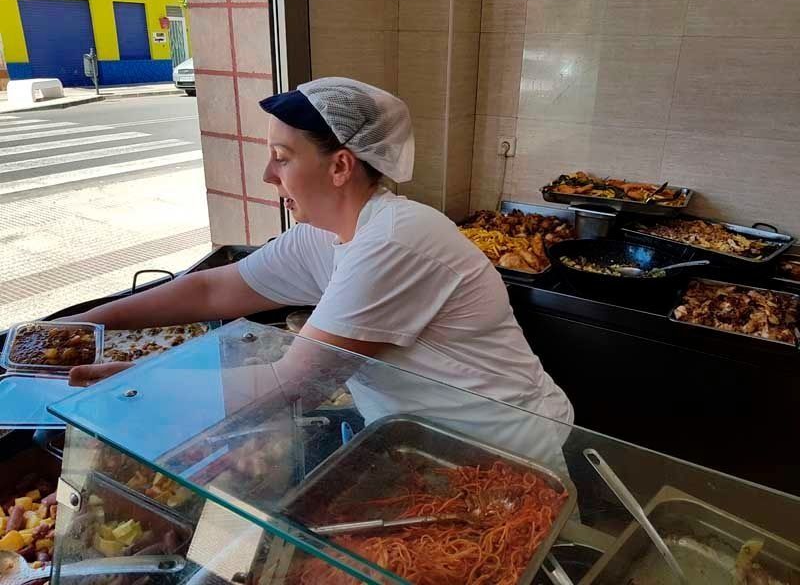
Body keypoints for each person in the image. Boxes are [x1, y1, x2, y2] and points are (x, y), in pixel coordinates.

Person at [66, 77, 573, 463]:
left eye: (282, 158)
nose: (269, 175)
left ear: (340, 167)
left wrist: (144, 381)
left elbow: (294, 385)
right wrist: (80, 326)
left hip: (505, 450)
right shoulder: (325, 235)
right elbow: (212, 290)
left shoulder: (396, 240)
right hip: (427, 446)